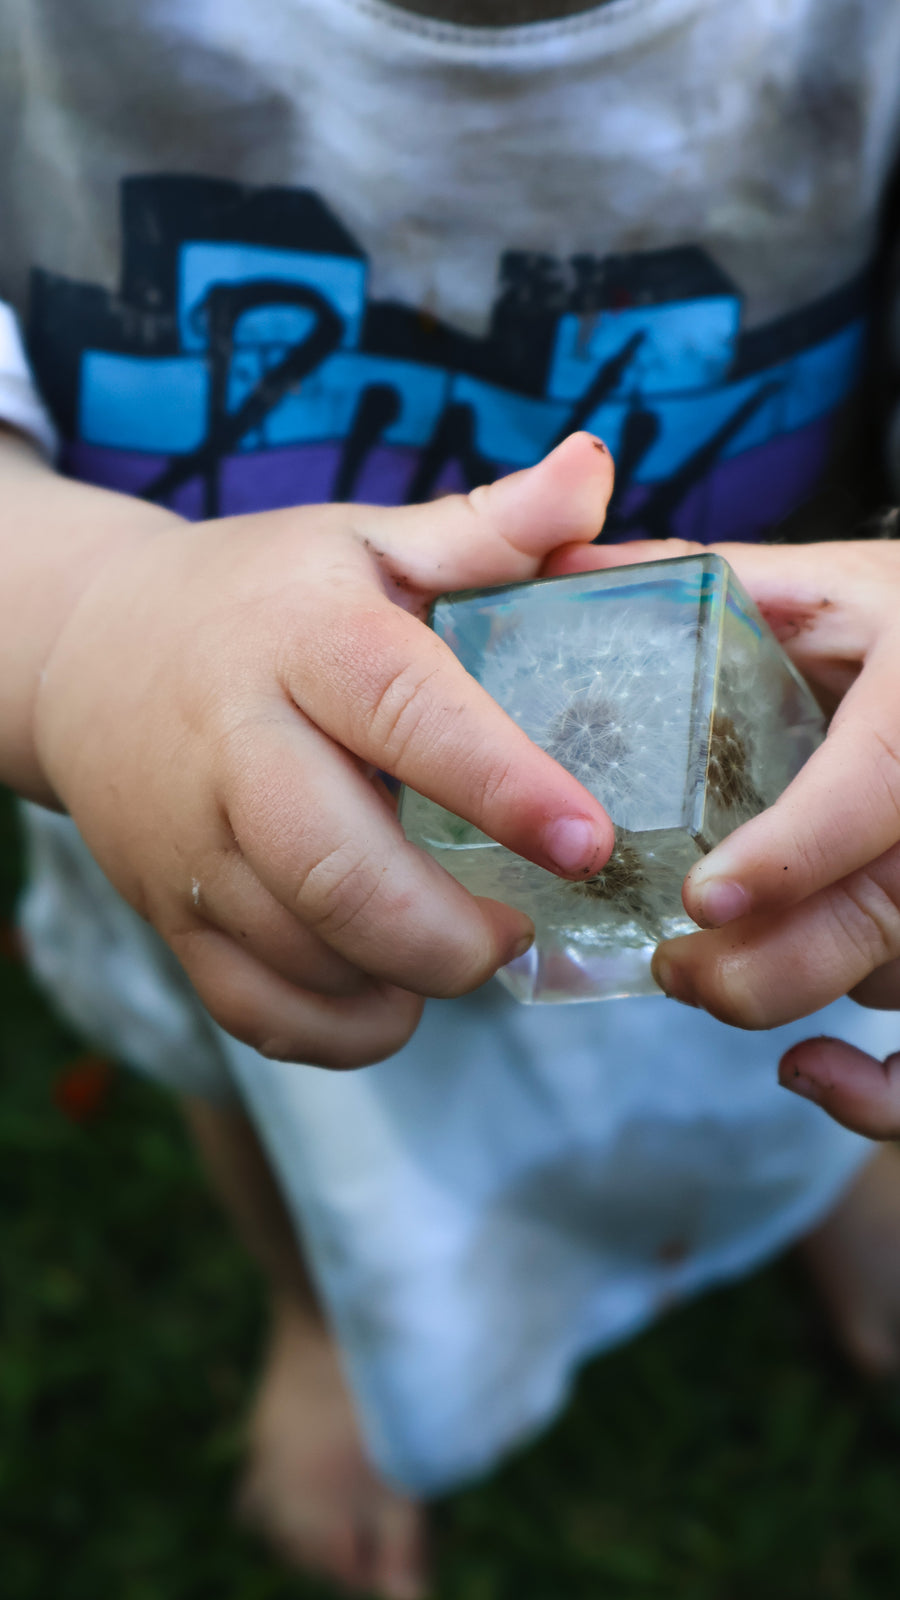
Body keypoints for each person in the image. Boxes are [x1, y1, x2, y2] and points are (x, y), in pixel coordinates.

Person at [4, 2, 900, 1595]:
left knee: (782, 1023)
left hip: (779, 787)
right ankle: (327, 1311)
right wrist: (85, 624)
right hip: (207, 786)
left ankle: (819, 1190)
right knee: (273, 1072)